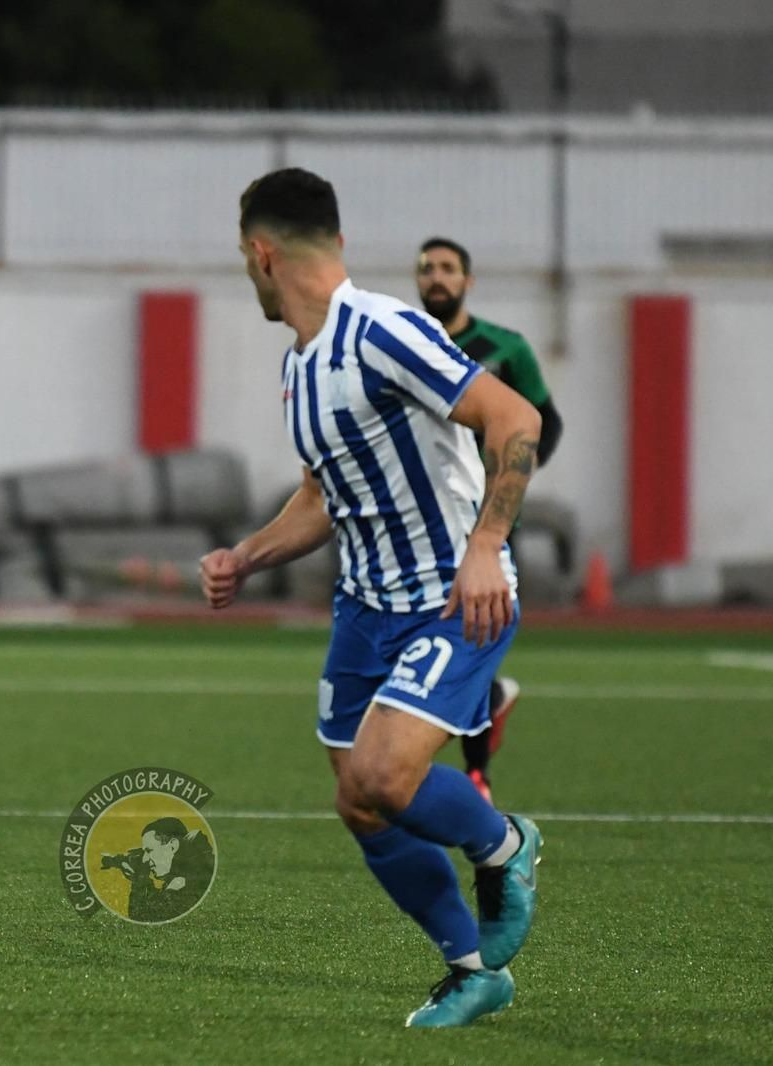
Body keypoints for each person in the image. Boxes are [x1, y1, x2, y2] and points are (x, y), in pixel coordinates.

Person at [200, 168, 543, 1027]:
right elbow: (322, 496)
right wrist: (248, 556)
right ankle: (473, 971)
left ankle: (506, 844)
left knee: (385, 777)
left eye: (245, 261)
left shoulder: (385, 330)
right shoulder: (299, 369)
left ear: (260, 253)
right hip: (364, 610)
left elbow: (515, 419)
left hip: (454, 599)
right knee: (358, 801)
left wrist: (485, 549)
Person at [416, 236, 565, 803]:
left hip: (484, 525)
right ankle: (490, 702)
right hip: (421, 520)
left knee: (470, 637)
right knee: (425, 647)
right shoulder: (408, 343)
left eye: (448, 268)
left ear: (468, 281)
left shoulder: (504, 348)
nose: (436, 277)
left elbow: (543, 423)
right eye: (426, 268)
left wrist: (509, 483)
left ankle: (477, 776)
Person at [106, 817, 216, 923]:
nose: (145, 859)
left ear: (173, 846)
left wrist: (139, 879)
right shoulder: (193, 868)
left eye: (149, 851)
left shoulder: (182, 881)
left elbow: (146, 918)